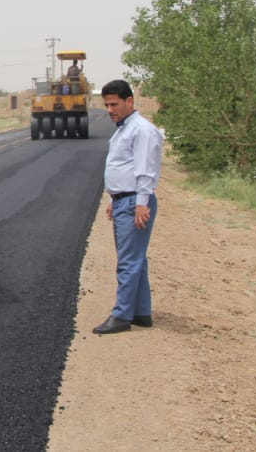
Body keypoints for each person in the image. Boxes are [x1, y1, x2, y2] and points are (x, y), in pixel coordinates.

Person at [93, 79, 163, 335]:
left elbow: (145, 170)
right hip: (125, 200)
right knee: (136, 260)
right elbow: (123, 168)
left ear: (129, 101)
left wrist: (141, 204)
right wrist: (114, 199)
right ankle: (141, 312)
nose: (110, 109)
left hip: (135, 202)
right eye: (107, 105)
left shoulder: (141, 130)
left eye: (114, 104)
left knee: (128, 262)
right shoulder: (123, 129)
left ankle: (121, 315)